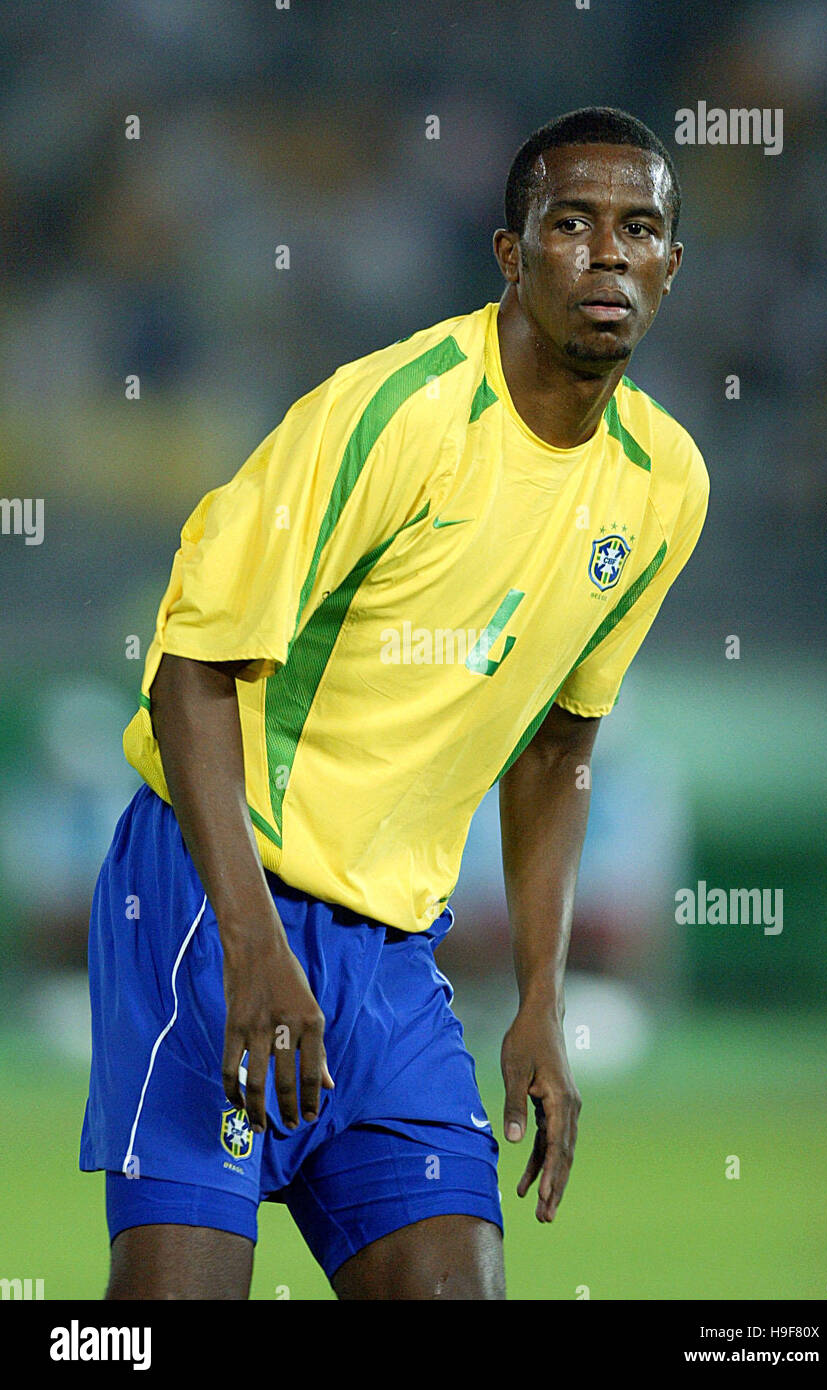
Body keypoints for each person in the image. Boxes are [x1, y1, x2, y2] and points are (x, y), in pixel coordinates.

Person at [80, 106, 709, 1300]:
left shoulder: (664, 483)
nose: (607, 256)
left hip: (390, 952)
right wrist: (252, 943)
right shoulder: (397, 415)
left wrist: (538, 999)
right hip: (209, 901)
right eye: (569, 223)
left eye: (638, 229)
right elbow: (187, 671)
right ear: (510, 254)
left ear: (670, 265)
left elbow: (557, 750)